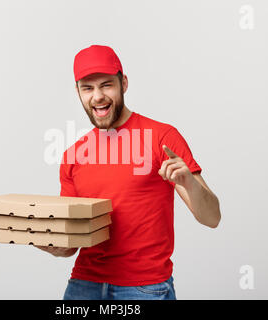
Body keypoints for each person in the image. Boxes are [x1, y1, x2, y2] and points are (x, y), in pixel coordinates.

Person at [35, 45, 221, 300]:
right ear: (77, 92)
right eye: (87, 88)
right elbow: (70, 246)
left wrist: (189, 182)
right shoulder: (73, 156)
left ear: (123, 82)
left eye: (106, 85)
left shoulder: (162, 138)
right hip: (84, 286)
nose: (98, 96)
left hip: (145, 288)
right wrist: (46, 242)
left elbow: (212, 218)